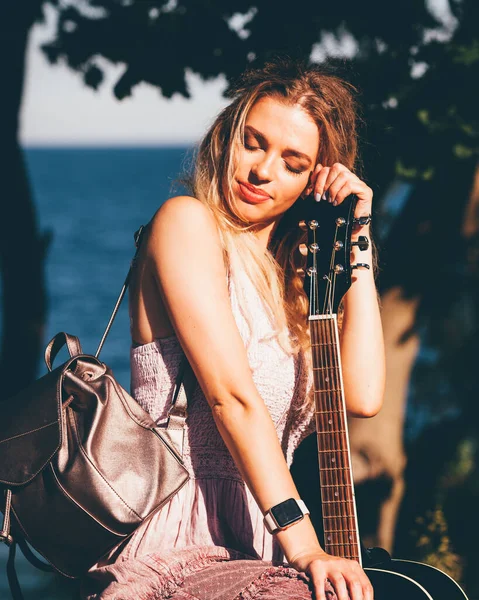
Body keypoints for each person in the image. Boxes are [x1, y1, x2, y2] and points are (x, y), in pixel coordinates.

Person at [82, 58, 385, 600]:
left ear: (314, 180)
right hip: (180, 537)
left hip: (266, 542)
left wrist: (356, 238)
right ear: (227, 138)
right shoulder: (185, 223)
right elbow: (231, 400)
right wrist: (308, 547)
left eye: (293, 163)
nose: (262, 170)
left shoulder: (296, 282)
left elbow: (360, 396)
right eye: (254, 142)